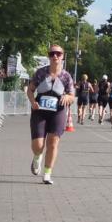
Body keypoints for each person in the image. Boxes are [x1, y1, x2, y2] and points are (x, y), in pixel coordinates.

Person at [26, 45, 75, 184]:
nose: (55, 56)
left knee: (53, 143)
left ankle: (47, 173)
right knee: (38, 145)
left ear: (62, 56)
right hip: (39, 111)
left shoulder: (66, 76)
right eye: (52, 53)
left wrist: (67, 98)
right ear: (49, 56)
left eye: (58, 54)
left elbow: (72, 95)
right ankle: (37, 157)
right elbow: (30, 90)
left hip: (57, 112)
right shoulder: (41, 73)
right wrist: (33, 101)